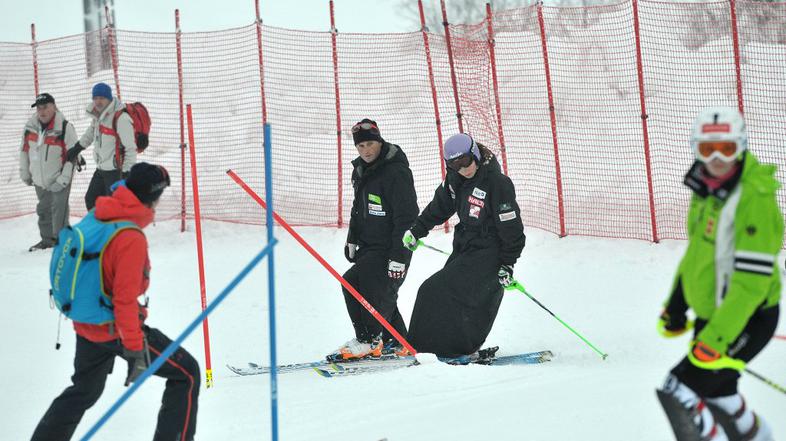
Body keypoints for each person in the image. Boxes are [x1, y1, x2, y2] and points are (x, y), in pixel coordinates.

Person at [31, 162, 200, 441]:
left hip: (87, 325)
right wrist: (135, 349)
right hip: (114, 330)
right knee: (187, 374)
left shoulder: (100, 212)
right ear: (152, 197)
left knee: (84, 391)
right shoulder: (130, 236)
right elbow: (124, 301)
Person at [656, 107, 781, 441]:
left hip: (747, 318)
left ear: (741, 147)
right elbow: (697, 255)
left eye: (726, 149)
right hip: (716, 315)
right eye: (707, 149)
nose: (716, 159)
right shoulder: (707, 190)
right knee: (719, 395)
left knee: (678, 391)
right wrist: (677, 305)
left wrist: (716, 339)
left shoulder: (753, 198)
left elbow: (751, 284)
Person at [402, 133, 525, 361]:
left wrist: (508, 263)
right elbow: (439, 207)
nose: (463, 169)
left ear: (475, 154)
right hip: (466, 247)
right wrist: (416, 230)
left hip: (491, 252)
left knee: (432, 290)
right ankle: (427, 348)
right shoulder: (455, 180)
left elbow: (512, 229)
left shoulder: (497, 183)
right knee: (442, 297)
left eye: (466, 161)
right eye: (454, 165)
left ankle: (435, 348)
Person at [327, 119, 419, 361]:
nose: (366, 150)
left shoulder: (396, 172)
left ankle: (369, 340)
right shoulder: (361, 170)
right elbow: (358, 209)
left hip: (391, 246)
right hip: (369, 246)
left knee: (373, 290)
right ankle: (397, 341)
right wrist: (352, 239)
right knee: (354, 284)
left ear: (380, 142)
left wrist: (399, 256)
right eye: (361, 146)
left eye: (370, 144)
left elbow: (407, 218)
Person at [19, 93, 81, 252]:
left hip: (59, 178)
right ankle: (47, 241)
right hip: (39, 180)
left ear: (54, 106)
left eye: (45, 107)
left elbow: (73, 155)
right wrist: (25, 172)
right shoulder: (30, 128)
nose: (42, 111)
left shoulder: (65, 127)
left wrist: (64, 178)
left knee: (59, 212)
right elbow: (24, 150)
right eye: (39, 108)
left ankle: (63, 243)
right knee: (44, 210)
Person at [65, 82, 137, 211]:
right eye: (95, 98)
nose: (98, 102)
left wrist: (126, 173)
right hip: (101, 169)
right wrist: (77, 148)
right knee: (91, 200)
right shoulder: (98, 116)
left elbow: (131, 148)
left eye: (102, 98)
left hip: (116, 172)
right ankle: (99, 223)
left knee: (114, 208)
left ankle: (115, 224)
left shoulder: (121, 118)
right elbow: (90, 134)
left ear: (109, 99)